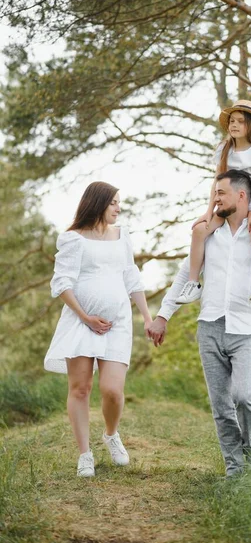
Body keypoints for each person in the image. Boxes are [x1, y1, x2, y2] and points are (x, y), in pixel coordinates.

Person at [149, 170, 251, 478]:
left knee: (243, 395)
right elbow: (184, 276)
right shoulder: (208, 235)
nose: (216, 199)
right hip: (210, 327)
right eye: (215, 193)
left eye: (221, 193)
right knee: (221, 406)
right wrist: (163, 316)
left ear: (242, 196)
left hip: (248, 329)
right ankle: (235, 471)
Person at [45, 181, 152, 478]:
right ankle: (84, 455)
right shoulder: (72, 239)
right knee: (80, 388)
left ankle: (110, 434)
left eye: (119, 203)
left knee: (113, 391)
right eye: (114, 202)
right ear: (98, 203)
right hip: (81, 322)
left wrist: (146, 317)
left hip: (117, 323)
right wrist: (85, 317)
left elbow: (132, 277)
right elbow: (62, 283)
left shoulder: (122, 236)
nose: (119, 208)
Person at [175, 100, 251, 307]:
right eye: (232, 121)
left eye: (240, 121)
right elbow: (216, 183)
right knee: (200, 230)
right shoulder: (224, 149)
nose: (234, 125)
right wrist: (208, 212)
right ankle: (193, 283)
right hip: (229, 206)